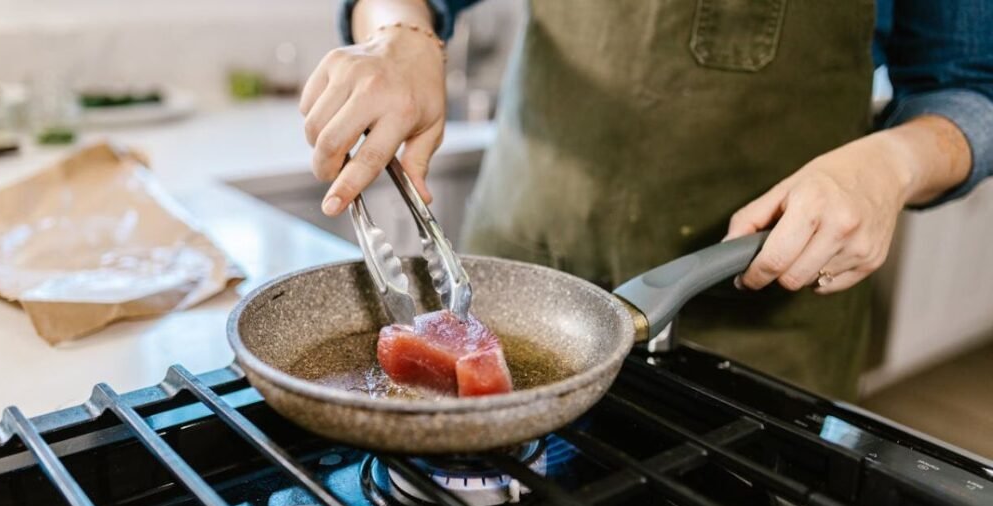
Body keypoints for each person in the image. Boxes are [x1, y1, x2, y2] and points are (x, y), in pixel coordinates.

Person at [299, 0, 993, 400]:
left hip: (762, 329)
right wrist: (401, 35)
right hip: (521, 280)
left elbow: (970, 85)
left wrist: (896, 161)